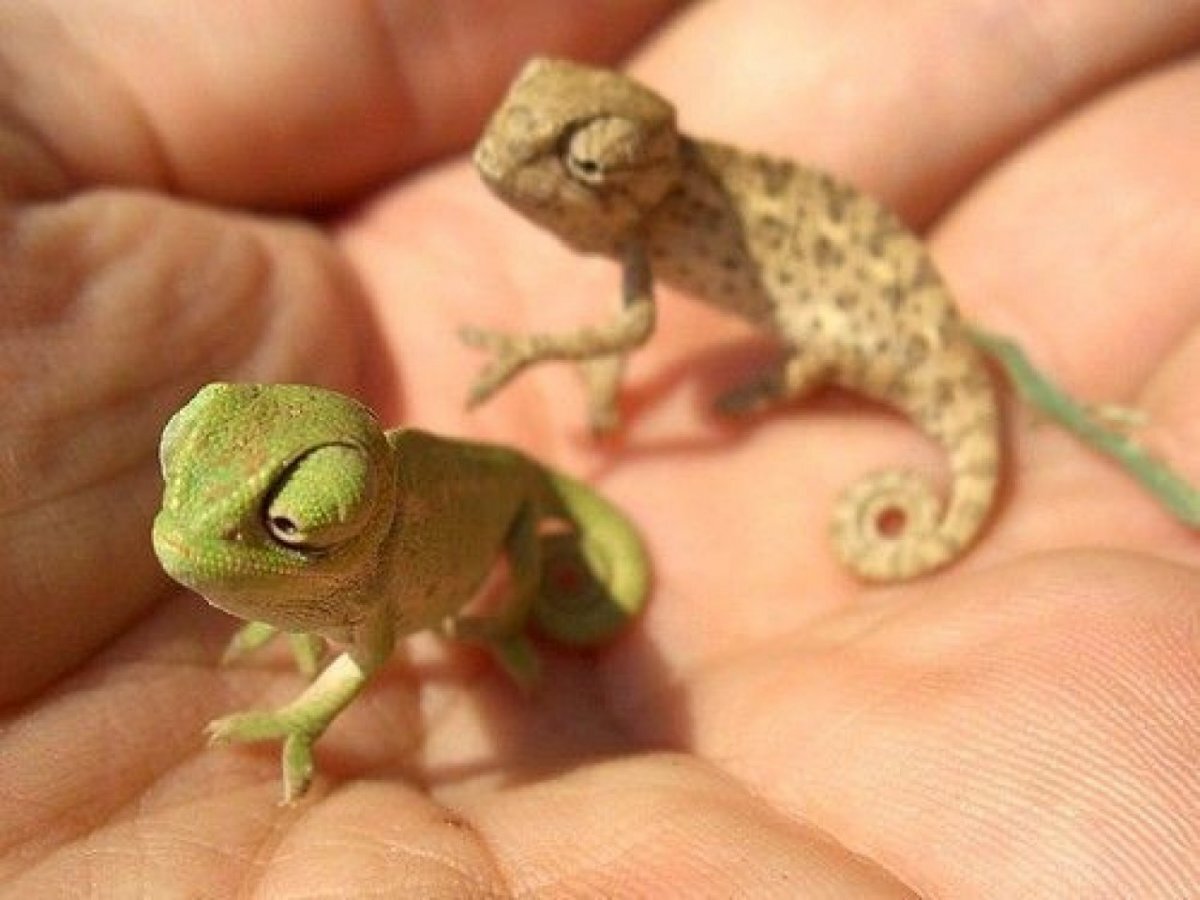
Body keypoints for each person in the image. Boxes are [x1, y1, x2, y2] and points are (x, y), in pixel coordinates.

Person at [3, 3, 1197, 894]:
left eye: (298, 522)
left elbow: (371, 640)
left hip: (816, 348)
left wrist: (543, 379)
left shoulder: (661, 225)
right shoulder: (637, 225)